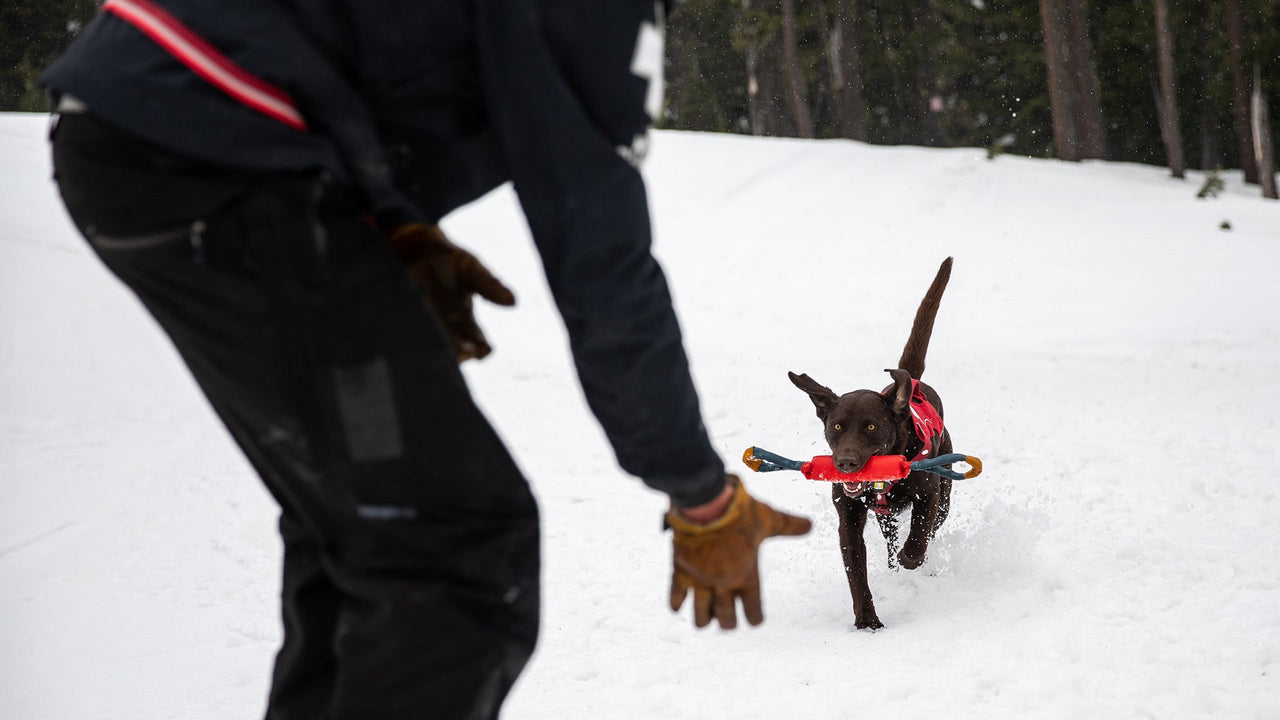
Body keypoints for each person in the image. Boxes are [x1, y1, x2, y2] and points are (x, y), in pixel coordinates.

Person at [43, 1, 812, 717]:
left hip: (154, 116)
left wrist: (393, 224)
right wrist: (697, 491)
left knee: (372, 528)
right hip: (220, 141)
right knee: (457, 547)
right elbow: (598, 256)